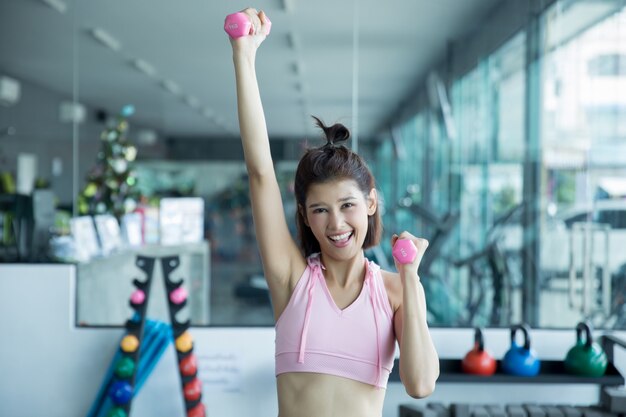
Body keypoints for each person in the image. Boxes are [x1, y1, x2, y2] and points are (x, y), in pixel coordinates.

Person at [228, 8, 439, 416]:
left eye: (347, 206)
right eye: (320, 210)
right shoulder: (292, 281)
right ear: (306, 217)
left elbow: (420, 384)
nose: (337, 223)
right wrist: (243, 53)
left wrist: (411, 276)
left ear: (371, 204)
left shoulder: (396, 291)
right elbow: (259, 173)